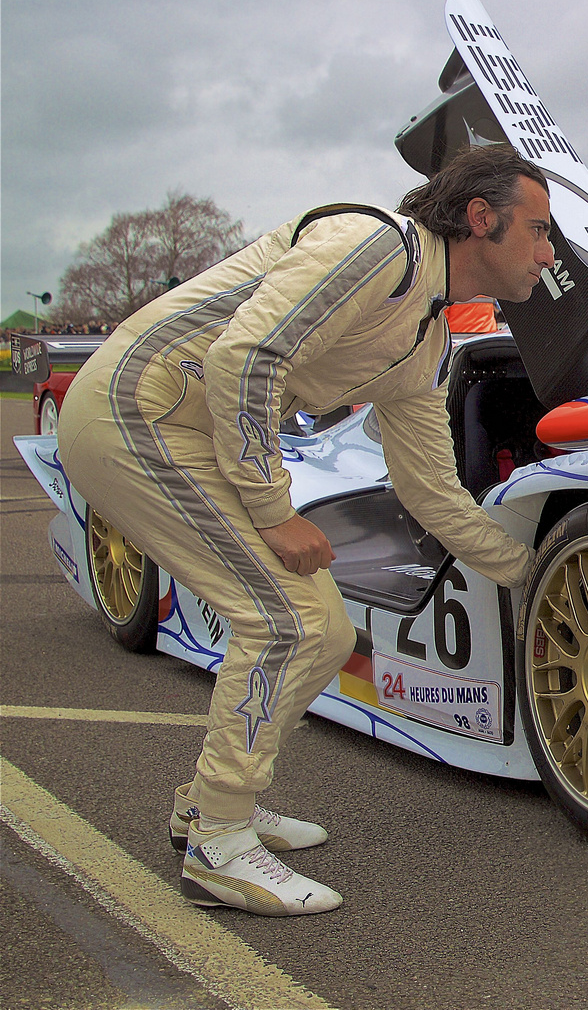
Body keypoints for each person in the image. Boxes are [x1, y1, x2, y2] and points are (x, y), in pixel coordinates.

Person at [56, 144, 549, 917]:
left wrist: (530, 570)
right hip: (133, 410)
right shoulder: (377, 245)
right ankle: (219, 845)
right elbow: (245, 356)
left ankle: (209, 807)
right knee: (283, 619)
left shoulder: (426, 338)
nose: (548, 254)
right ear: (481, 220)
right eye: (539, 230)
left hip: (191, 433)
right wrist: (273, 509)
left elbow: (432, 492)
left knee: (322, 629)